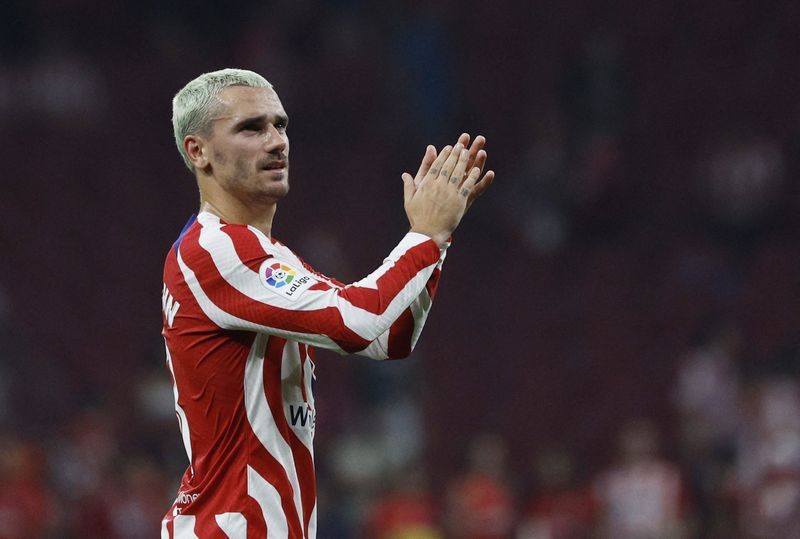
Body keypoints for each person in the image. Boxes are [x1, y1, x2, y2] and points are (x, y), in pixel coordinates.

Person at [159, 68, 494, 538]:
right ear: (198, 151)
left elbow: (387, 339)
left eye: (280, 125)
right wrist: (424, 234)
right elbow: (360, 322)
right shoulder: (214, 252)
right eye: (251, 128)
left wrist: (436, 241)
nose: (276, 142)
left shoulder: (268, 257)